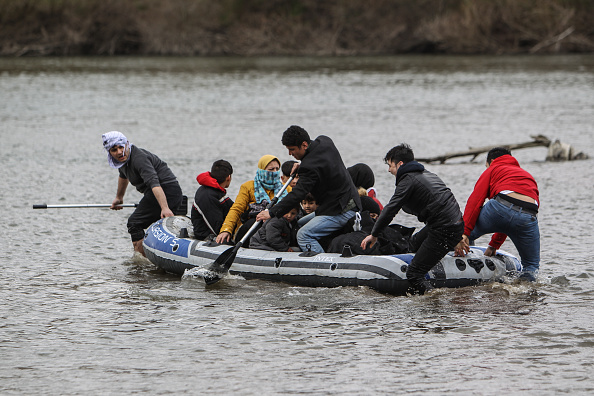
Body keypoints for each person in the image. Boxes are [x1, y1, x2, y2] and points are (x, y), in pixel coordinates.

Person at [361, 143, 463, 294]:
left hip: (443, 228)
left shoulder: (408, 180)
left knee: (414, 274)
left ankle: (434, 303)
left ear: (400, 164)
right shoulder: (427, 174)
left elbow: (390, 209)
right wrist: (457, 236)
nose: (389, 170)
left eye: (390, 165)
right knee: (413, 244)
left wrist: (374, 234)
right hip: (451, 224)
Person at [256, 125, 361, 253]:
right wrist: (303, 164)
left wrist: (271, 212)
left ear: (304, 145)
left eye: (292, 149)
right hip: (346, 201)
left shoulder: (309, 167)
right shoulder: (325, 141)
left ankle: (323, 266)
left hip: (341, 210)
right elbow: (320, 162)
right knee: (300, 223)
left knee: (303, 235)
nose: (290, 154)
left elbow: (298, 194)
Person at [454, 147, 540, 281]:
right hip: (528, 216)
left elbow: (475, 201)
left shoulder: (494, 168)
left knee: (461, 233)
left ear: (492, 161)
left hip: (499, 208)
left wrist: (464, 232)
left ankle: (462, 264)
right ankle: (526, 294)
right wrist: (494, 245)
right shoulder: (525, 174)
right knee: (531, 265)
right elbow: (512, 218)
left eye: (486, 165)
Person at [103, 131, 183, 256]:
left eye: (121, 147)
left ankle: (143, 260)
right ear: (109, 152)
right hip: (155, 193)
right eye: (114, 150)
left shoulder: (139, 158)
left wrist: (165, 208)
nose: (119, 152)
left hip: (166, 191)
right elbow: (123, 176)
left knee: (134, 223)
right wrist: (119, 197)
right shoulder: (123, 160)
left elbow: (154, 184)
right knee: (151, 225)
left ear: (127, 144)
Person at [216, 155, 287, 245]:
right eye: (271, 169)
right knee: (256, 221)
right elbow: (236, 209)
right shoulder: (248, 187)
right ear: (262, 170)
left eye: (277, 169)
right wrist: (226, 230)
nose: (275, 172)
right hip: (251, 227)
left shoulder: (286, 189)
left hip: (274, 228)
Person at [191, 159, 234, 240]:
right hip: (206, 237)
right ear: (228, 177)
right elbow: (216, 227)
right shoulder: (207, 196)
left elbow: (232, 208)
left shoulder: (217, 191)